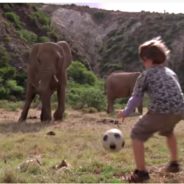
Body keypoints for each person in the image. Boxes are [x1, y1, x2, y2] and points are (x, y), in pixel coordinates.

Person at [117, 37, 184, 183]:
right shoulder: (170, 72)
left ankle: (141, 173)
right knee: (168, 131)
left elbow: (136, 97)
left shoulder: (146, 75)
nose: (143, 63)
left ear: (147, 59)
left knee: (136, 134)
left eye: (142, 60)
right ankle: (174, 164)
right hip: (180, 110)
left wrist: (126, 111)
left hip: (161, 111)